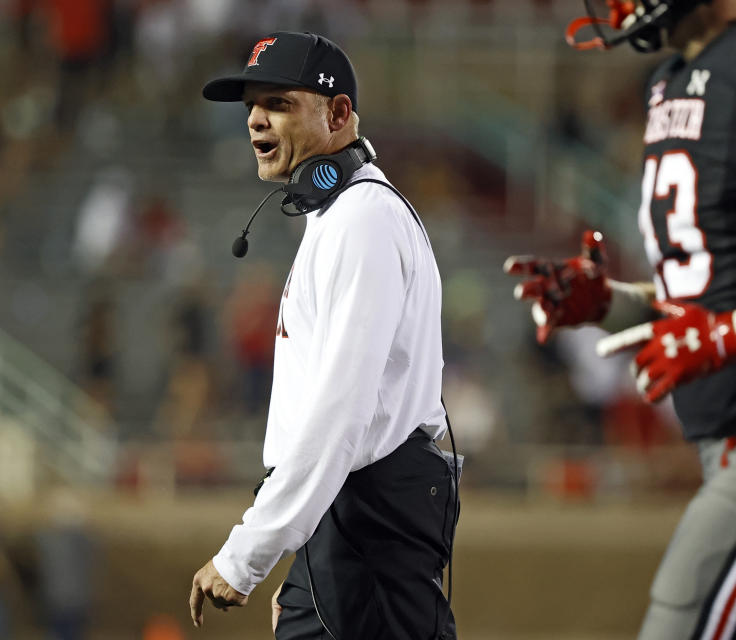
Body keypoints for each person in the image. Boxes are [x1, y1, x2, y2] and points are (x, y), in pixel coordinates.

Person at [191, 31, 457, 639]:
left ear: (338, 114)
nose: (256, 119)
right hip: (350, 521)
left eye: (279, 103)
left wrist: (248, 553)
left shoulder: (360, 218)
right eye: (251, 106)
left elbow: (341, 410)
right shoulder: (339, 216)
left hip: (368, 514)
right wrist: (304, 566)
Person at [507, 1, 736, 637]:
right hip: (719, 441)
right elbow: (698, 299)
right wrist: (606, 303)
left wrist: (725, 334)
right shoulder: (669, 80)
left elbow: (716, 325)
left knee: (678, 618)